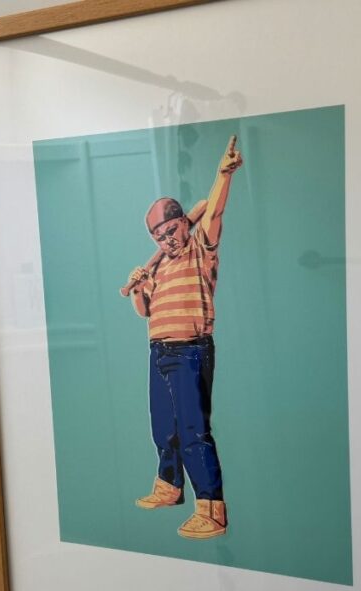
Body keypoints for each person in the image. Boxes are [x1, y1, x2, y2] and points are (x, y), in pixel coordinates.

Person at [123, 135, 243, 540]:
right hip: (158, 351)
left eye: (171, 230)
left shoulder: (200, 249)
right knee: (164, 428)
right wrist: (139, 286)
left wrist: (223, 175)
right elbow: (145, 311)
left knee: (193, 431)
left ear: (183, 224)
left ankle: (211, 509)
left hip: (191, 351)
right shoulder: (158, 267)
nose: (167, 240)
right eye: (159, 237)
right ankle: (169, 487)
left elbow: (215, 209)